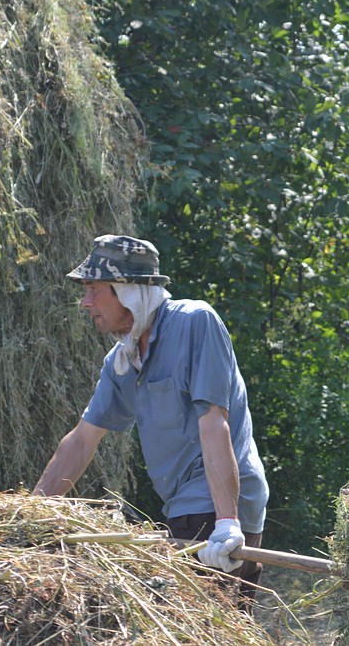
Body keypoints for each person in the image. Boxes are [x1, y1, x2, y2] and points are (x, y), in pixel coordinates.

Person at [34, 234, 269, 608]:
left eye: (95, 289)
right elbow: (82, 440)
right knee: (223, 626)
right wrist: (32, 514)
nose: (85, 302)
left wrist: (227, 521)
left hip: (219, 503)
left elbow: (213, 422)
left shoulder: (195, 323)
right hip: (185, 508)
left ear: (128, 291)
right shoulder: (122, 360)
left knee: (203, 624)